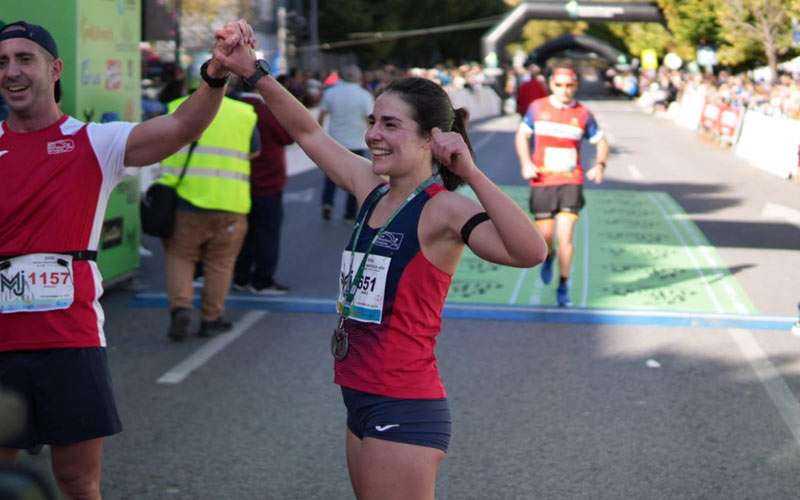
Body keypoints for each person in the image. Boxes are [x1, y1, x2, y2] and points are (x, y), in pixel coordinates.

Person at [212, 22, 547, 499]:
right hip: (360, 396)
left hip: (405, 402)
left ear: (432, 139)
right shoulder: (370, 188)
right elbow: (307, 128)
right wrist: (254, 73)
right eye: (372, 122)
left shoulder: (443, 208)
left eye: (390, 125)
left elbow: (531, 251)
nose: (373, 135)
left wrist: (470, 172)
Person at [0, 19, 253, 499]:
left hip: (68, 341)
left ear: (54, 69)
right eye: (2, 61)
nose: (12, 71)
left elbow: (182, 125)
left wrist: (216, 75)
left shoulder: (96, 142)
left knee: (77, 481)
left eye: (24, 59)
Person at [160, 84, 259, 340]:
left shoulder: (175, 107)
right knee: (220, 264)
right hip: (231, 202)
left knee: (180, 257)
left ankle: (181, 307)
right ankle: (211, 318)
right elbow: (254, 151)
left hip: (184, 198)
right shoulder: (245, 113)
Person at [514, 66, 610, 307]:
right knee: (545, 238)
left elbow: (602, 141)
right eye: (559, 85)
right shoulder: (537, 107)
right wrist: (526, 163)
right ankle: (549, 256)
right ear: (551, 85)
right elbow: (521, 135)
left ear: (575, 86)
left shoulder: (583, 113)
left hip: (570, 181)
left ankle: (563, 284)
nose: (564, 90)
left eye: (569, 85)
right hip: (543, 181)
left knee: (565, 236)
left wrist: (599, 164)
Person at [232, 78, 294, 295]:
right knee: (267, 232)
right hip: (267, 181)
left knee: (243, 232)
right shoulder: (267, 111)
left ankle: (240, 275)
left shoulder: (231, 109)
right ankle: (262, 280)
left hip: (236, 180)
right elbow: (288, 136)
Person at [317, 64, 373, 222]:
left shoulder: (331, 93)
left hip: (335, 142)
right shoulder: (364, 95)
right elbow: (371, 119)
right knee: (355, 179)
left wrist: (320, 135)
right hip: (357, 143)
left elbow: (321, 115)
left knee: (331, 176)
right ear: (358, 77)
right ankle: (350, 213)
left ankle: (327, 204)